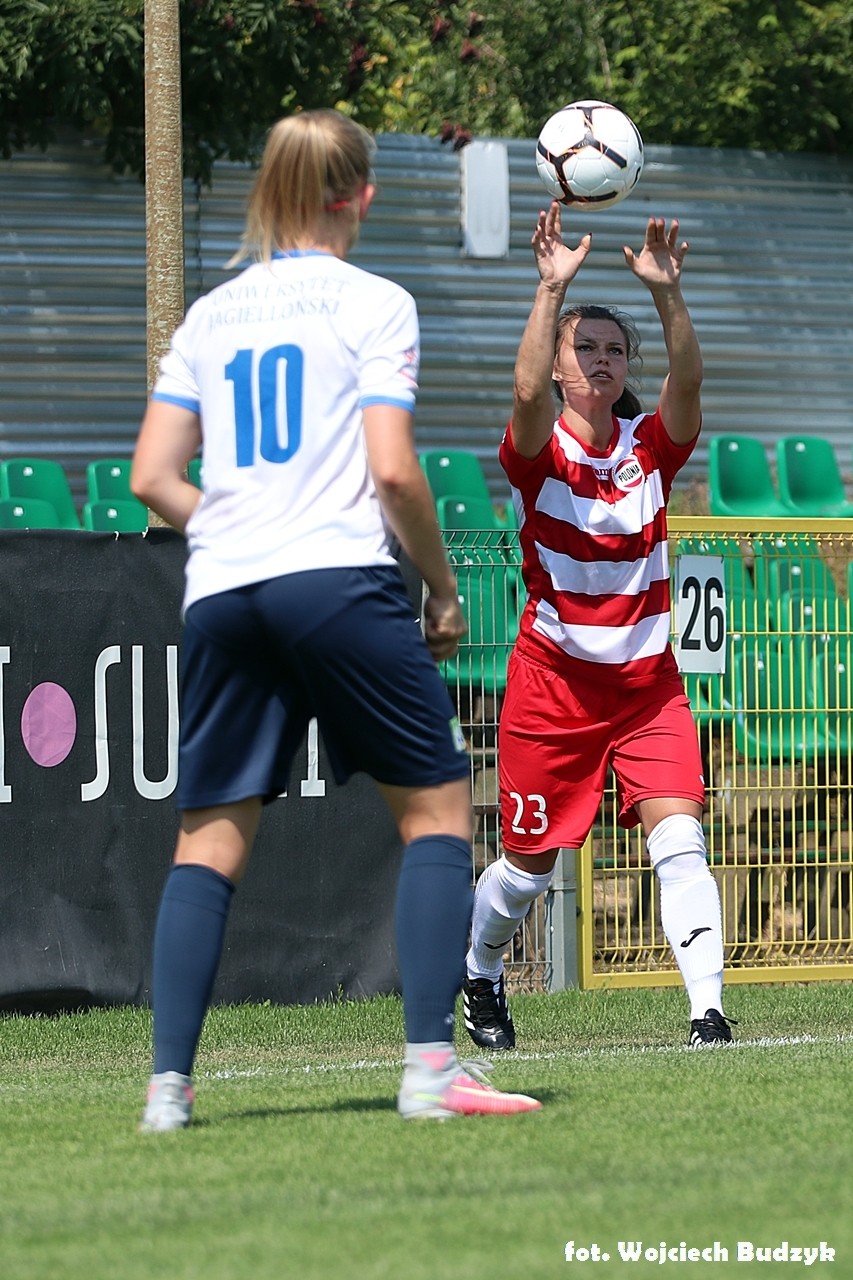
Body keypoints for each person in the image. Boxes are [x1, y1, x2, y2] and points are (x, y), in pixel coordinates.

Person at [131, 109, 540, 1129]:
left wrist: (238, 525)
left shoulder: (210, 315)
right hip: (336, 578)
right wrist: (440, 588)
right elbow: (393, 471)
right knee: (435, 809)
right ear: (360, 193)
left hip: (224, 588)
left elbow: (151, 477)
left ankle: (167, 1091)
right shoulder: (376, 302)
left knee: (207, 839)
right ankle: (430, 1069)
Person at [462, 201, 734, 1052]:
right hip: (553, 687)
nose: (601, 359)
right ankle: (479, 971)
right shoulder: (538, 451)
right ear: (557, 366)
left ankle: (708, 1016)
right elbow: (520, 393)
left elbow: (688, 386)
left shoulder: (649, 446)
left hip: (648, 688)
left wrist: (666, 292)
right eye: (584, 348)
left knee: (680, 841)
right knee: (525, 871)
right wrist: (550, 289)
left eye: (614, 350)